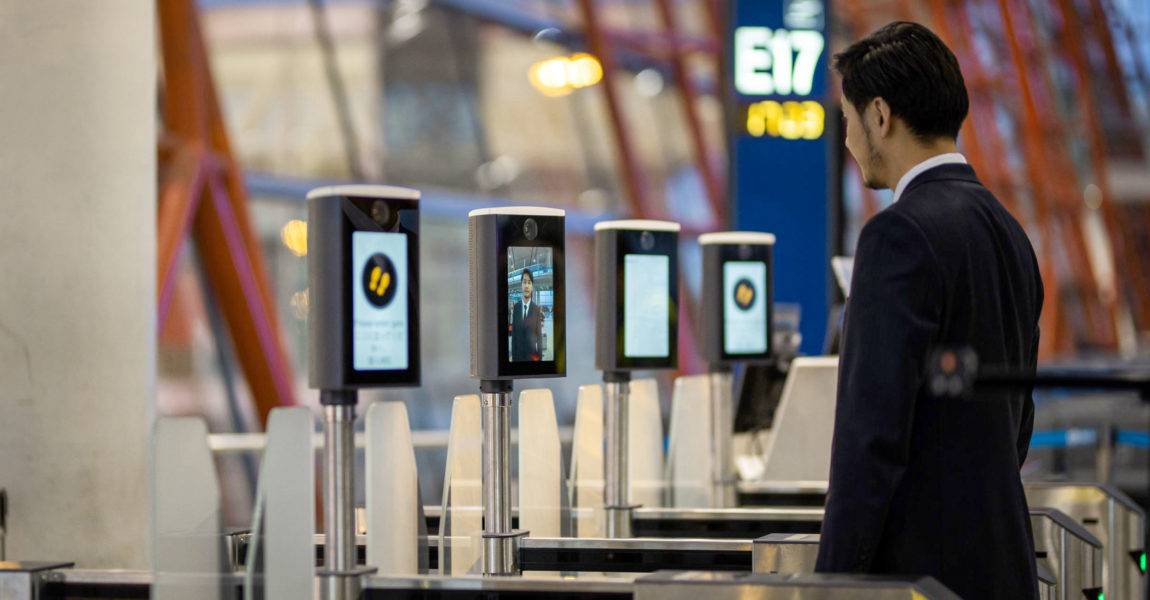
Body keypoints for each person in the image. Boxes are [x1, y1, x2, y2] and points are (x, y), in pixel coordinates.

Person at [814, 22, 1043, 599]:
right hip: (1003, 566)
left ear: (881, 116)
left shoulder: (897, 235)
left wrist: (831, 584)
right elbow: (1018, 423)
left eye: (848, 119)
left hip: (924, 579)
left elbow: (871, 438)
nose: (847, 142)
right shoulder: (1009, 231)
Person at [510, 268, 543, 361]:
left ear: (532, 286)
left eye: (529, 282)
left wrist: (539, 360)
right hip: (518, 359)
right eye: (524, 282)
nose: (526, 286)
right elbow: (514, 337)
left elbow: (539, 338)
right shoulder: (516, 308)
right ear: (521, 285)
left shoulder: (536, 309)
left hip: (531, 359)